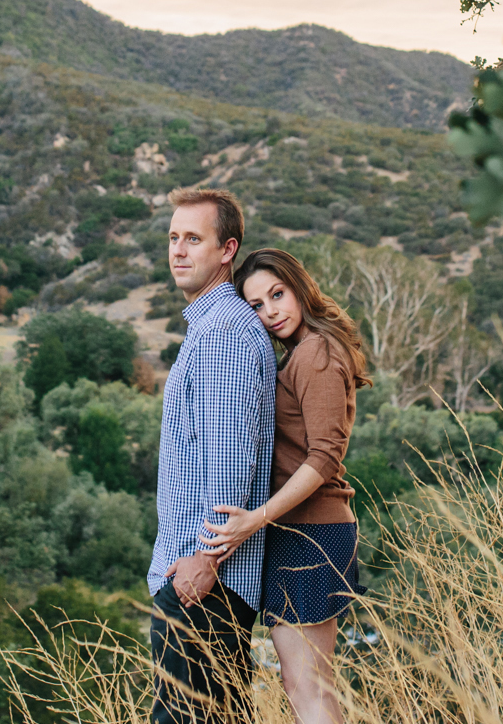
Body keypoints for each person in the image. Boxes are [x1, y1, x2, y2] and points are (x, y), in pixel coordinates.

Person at [200, 248, 371, 724]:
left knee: (307, 688)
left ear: (299, 287)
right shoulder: (304, 350)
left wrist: (256, 518)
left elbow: (323, 458)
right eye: (256, 304)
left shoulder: (316, 351)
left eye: (277, 294)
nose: (270, 311)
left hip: (311, 535)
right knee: (302, 685)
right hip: (299, 535)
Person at [147, 188, 277, 724]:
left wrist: (204, 561)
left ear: (227, 249)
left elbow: (231, 463)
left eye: (193, 239)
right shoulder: (210, 326)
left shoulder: (222, 333)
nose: (178, 250)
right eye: (174, 238)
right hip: (201, 578)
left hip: (203, 581)